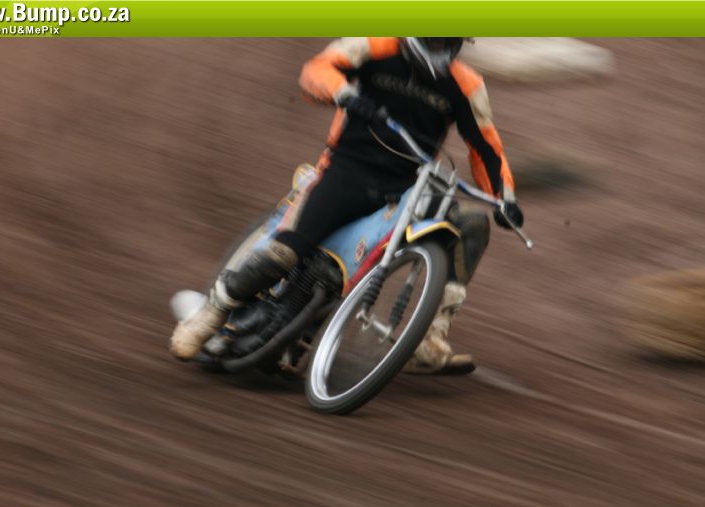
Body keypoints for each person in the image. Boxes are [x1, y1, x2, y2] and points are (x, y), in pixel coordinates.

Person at [168, 37, 524, 373]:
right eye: (435, 34)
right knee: (285, 253)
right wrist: (344, 93)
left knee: (473, 224)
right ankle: (212, 313)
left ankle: (431, 337)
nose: (441, 44)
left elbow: (487, 149)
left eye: (450, 37)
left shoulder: (467, 85)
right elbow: (317, 70)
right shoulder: (374, 45)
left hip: (405, 191)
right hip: (346, 171)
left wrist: (504, 198)